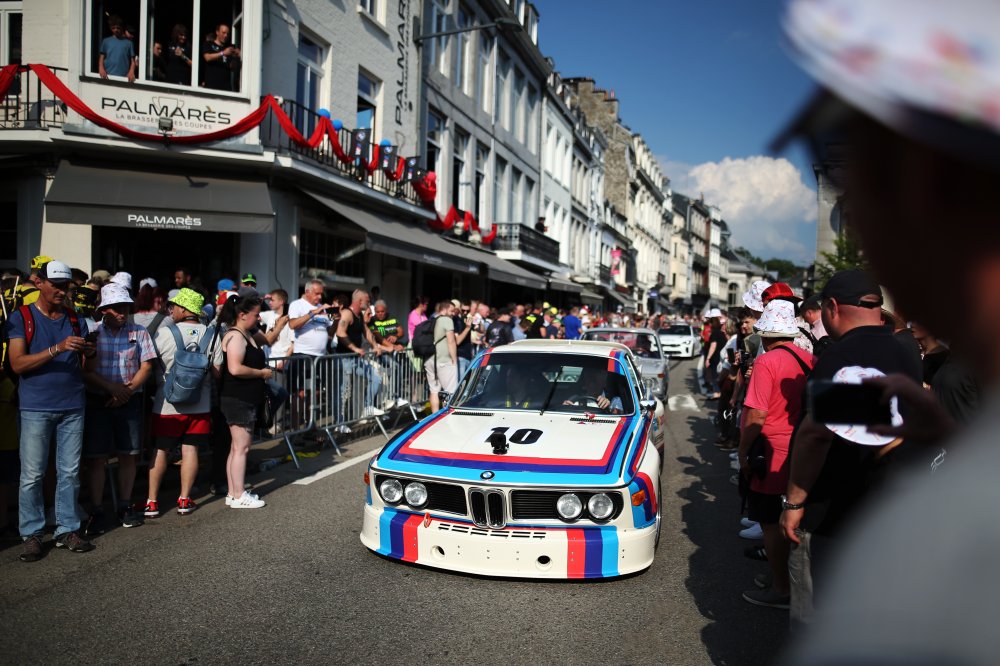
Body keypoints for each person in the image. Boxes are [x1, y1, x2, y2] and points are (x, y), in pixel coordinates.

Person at [778, 269, 921, 624]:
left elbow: (817, 435)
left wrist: (794, 502)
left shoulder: (841, 357)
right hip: (889, 505)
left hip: (834, 511)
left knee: (818, 614)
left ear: (831, 307)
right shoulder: (906, 350)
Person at [6, 260, 94, 559]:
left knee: (69, 473)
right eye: (55, 285)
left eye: (65, 285)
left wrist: (89, 352)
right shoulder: (22, 317)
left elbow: (85, 367)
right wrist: (57, 348)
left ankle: (67, 528)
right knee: (32, 474)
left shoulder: (75, 319)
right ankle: (32, 534)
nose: (61, 291)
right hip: (35, 407)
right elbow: (18, 364)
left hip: (73, 405)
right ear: (39, 283)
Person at [737, 299, 816, 610]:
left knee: (770, 523)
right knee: (793, 521)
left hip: (771, 452)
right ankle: (786, 580)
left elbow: (757, 415)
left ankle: (781, 588)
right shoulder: (810, 359)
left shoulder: (767, 362)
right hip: (803, 449)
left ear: (766, 334)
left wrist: (743, 451)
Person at [80, 284, 156, 534]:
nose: (122, 312)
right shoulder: (92, 332)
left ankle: (124, 505)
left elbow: (146, 366)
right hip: (98, 398)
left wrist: (127, 391)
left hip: (129, 398)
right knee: (96, 458)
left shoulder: (139, 331)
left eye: (125, 307)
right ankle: (97, 509)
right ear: (104, 310)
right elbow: (84, 370)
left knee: (128, 454)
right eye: (116, 308)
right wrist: (112, 388)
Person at [218, 293, 269, 509]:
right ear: (242, 315)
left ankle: (233, 493)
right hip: (238, 398)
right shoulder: (236, 336)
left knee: (237, 447)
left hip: (242, 397)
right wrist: (261, 373)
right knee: (241, 448)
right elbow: (235, 368)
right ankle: (239, 494)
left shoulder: (244, 334)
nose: (258, 318)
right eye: (256, 314)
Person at [335, 290, 383, 419]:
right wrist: (355, 348)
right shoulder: (347, 313)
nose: (369, 303)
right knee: (344, 392)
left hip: (356, 359)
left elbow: (366, 332)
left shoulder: (360, 315)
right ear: (360, 301)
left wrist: (375, 346)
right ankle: (339, 423)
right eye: (367, 300)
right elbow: (340, 332)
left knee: (376, 377)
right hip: (344, 359)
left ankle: (368, 407)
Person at [425, 301, 457, 413]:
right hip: (444, 360)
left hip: (429, 359)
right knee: (450, 391)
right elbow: (451, 341)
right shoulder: (447, 320)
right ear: (445, 309)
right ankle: (447, 416)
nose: (453, 313)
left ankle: (435, 416)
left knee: (434, 391)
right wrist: (454, 359)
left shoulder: (431, 319)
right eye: (451, 311)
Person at [201, 24, 240, 91]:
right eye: (223, 33)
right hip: (211, 87)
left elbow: (232, 67)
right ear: (217, 32)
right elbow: (207, 58)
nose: (226, 35)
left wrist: (236, 57)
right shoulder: (209, 44)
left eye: (227, 34)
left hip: (225, 88)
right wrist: (223, 53)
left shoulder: (228, 48)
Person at [98, 15, 136, 82]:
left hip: (123, 77)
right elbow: (101, 58)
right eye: (113, 28)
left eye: (118, 28)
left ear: (121, 28)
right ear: (110, 28)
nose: (116, 30)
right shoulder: (106, 41)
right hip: (107, 75)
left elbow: (133, 61)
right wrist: (101, 68)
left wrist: (131, 71)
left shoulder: (129, 43)